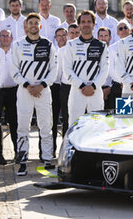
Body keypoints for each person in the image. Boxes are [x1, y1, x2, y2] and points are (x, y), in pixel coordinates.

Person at [10, 13, 57, 176]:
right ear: (26, 26)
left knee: (46, 126)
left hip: (43, 91)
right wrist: (27, 85)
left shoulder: (49, 44)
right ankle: (23, 161)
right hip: (24, 91)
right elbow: (13, 69)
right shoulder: (18, 45)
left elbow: (53, 69)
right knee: (23, 126)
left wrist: (41, 85)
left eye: (36, 23)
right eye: (31, 23)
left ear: (40, 26)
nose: (33, 26)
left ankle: (47, 160)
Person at [63, 10, 109, 125]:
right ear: (79, 24)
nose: (86, 24)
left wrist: (93, 86)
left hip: (96, 92)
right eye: (83, 21)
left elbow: (104, 69)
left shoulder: (101, 45)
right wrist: (82, 86)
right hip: (77, 91)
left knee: (96, 126)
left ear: (94, 24)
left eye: (89, 21)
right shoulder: (71, 45)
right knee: (74, 126)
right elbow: (67, 69)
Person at [0, 29, 18, 164]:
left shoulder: (16, 52)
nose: (5, 38)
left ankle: (18, 152)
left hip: (13, 90)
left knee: (15, 121)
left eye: (8, 36)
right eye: (3, 36)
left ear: (12, 38)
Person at [59, 23, 80, 137]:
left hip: (81, 87)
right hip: (66, 87)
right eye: (72, 33)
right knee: (67, 117)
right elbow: (59, 72)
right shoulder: (62, 51)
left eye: (77, 33)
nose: (75, 35)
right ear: (68, 35)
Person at [50, 27, 68, 157]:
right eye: (59, 36)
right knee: (52, 119)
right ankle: (51, 150)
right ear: (55, 38)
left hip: (63, 86)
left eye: (63, 35)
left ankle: (65, 150)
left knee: (67, 119)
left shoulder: (68, 51)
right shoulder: (52, 50)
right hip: (51, 87)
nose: (61, 38)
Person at [97, 27, 113, 109]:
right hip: (96, 89)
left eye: (106, 35)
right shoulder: (94, 51)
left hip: (112, 90)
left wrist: (109, 88)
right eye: (101, 36)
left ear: (110, 37)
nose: (103, 38)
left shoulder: (114, 51)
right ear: (97, 37)